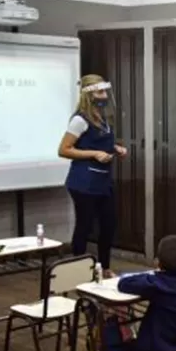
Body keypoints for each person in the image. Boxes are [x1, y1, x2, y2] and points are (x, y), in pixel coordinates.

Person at [57, 74, 126, 279]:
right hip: (83, 182)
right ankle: (77, 270)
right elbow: (64, 150)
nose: (104, 96)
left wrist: (115, 148)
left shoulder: (102, 117)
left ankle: (104, 267)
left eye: (105, 91)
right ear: (89, 95)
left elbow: (99, 141)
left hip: (103, 181)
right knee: (84, 226)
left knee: (108, 225)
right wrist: (94, 154)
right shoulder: (79, 120)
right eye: (99, 92)